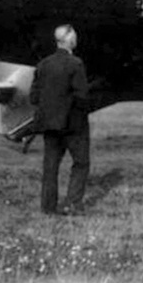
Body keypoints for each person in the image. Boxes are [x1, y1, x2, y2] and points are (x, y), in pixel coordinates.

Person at [28, 24, 90, 215]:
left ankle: (47, 208)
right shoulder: (76, 64)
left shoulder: (43, 64)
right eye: (75, 36)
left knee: (50, 167)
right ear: (69, 39)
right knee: (81, 163)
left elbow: (33, 97)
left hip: (50, 125)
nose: (76, 39)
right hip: (73, 126)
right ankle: (72, 204)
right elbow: (82, 97)